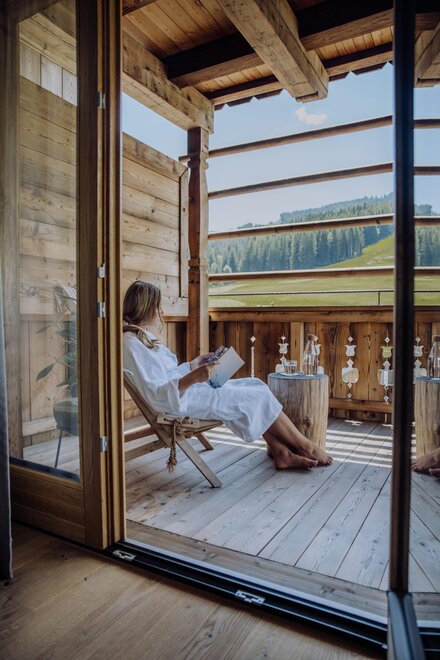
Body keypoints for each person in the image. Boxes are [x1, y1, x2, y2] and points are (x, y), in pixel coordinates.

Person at [123, 281, 332, 470]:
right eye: (157, 306)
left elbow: (166, 376)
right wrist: (194, 378)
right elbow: (157, 395)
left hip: (185, 393)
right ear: (146, 308)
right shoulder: (132, 345)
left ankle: (281, 452)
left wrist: (193, 365)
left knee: (254, 385)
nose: (161, 311)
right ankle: (306, 446)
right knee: (254, 397)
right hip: (179, 404)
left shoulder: (140, 339)